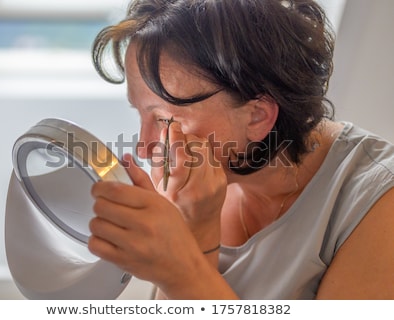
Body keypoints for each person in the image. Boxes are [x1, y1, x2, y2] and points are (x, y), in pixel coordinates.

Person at [87, 0, 394, 299]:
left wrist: (184, 259)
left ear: (257, 116)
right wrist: (190, 228)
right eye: (140, 113)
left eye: (164, 118)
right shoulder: (197, 179)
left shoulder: (378, 205)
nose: (144, 146)